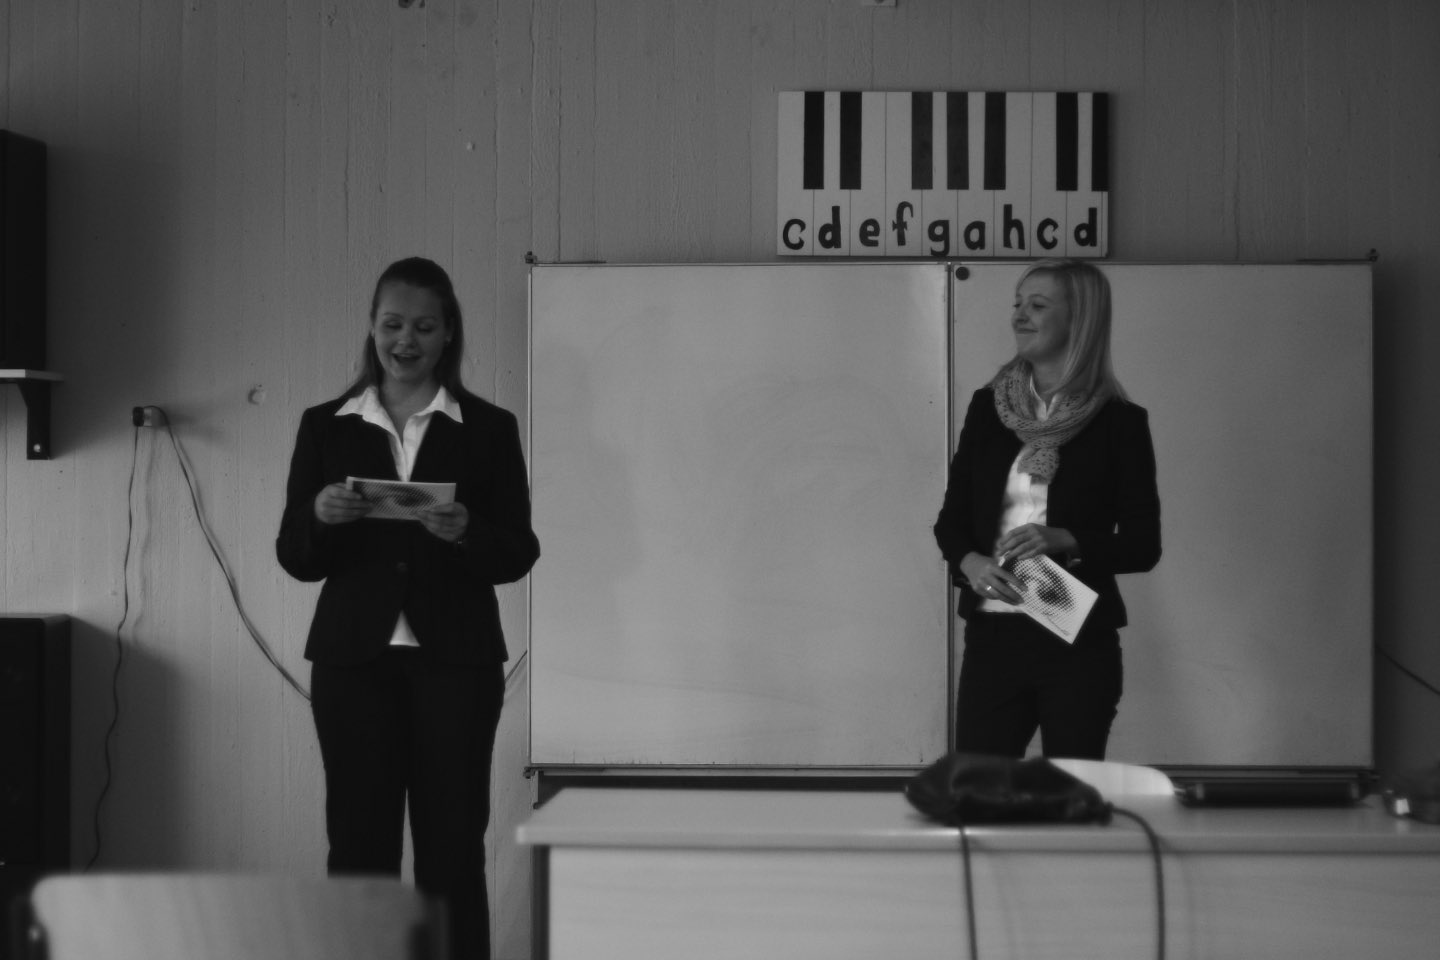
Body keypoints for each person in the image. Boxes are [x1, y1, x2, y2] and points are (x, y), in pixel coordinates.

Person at [276, 257, 539, 959]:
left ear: (449, 332)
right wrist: (320, 516)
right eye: (393, 324)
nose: (406, 340)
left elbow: (517, 552)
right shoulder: (326, 426)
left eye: (424, 327)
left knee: (452, 851)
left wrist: (468, 532)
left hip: (456, 665)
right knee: (358, 848)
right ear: (372, 327)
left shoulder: (488, 428)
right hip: (352, 663)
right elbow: (296, 558)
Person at [933, 258, 1159, 760]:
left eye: (1037, 306)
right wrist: (971, 562)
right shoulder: (988, 408)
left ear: (1080, 319)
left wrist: (1068, 539)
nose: (1019, 315)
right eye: (1017, 304)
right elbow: (951, 522)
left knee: (1071, 793)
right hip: (994, 634)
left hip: (1076, 638)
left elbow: (1144, 546)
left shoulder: (1119, 423)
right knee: (977, 788)